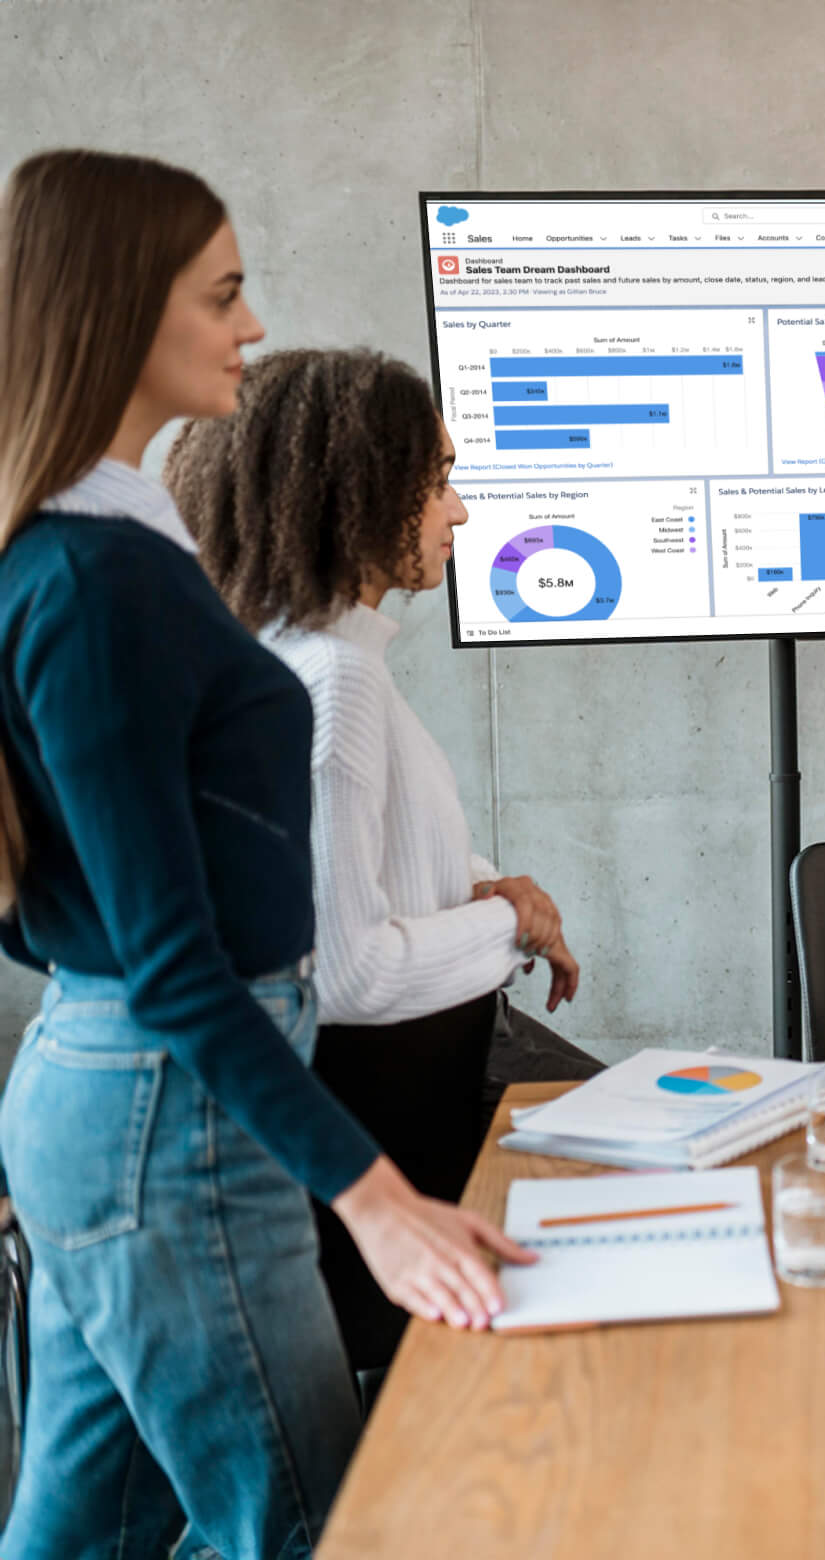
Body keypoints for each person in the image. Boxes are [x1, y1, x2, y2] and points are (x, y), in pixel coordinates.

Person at [0, 150, 529, 1560]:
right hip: (167, 1121)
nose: (251, 328)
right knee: (312, 1520)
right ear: (117, 314)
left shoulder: (104, 546)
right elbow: (176, 963)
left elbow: (55, 909)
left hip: (113, 1097)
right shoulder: (92, 580)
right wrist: (378, 1202)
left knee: (86, 1530)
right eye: (223, 295)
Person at [168, 348, 583, 1375]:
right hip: (384, 1120)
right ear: (360, 495)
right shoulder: (333, 684)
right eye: (438, 481)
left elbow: (376, 863)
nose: (460, 513)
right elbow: (344, 971)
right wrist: (509, 918)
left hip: (401, 1105)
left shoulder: (319, 661)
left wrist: (489, 888)